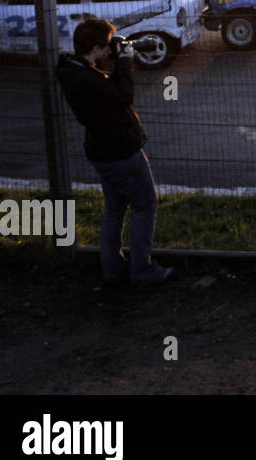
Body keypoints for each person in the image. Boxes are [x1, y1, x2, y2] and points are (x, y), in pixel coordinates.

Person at [56, 18, 173, 286]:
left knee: (115, 208)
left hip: (101, 150)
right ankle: (142, 271)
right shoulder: (87, 78)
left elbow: (109, 93)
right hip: (121, 151)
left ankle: (112, 269)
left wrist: (116, 61)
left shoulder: (74, 70)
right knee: (145, 206)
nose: (111, 49)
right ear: (96, 48)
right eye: (107, 45)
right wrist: (125, 62)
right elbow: (123, 96)